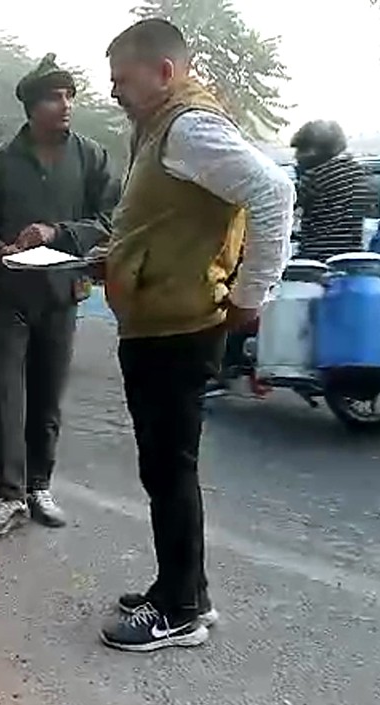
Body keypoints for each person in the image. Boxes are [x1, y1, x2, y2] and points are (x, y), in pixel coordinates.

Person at [94, 19, 292, 651]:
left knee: (169, 468)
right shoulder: (160, 131)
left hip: (178, 328)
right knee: (164, 468)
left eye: (122, 80)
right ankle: (181, 589)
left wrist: (250, 296)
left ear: (164, 74)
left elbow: (273, 192)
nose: (115, 92)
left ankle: (180, 610)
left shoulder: (187, 127)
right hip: (158, 320)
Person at [0, 54, 119, 539]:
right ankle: (7, 497)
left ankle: (39, 486)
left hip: (62, 292)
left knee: (48, 394)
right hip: (9, 292)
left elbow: (109, 223)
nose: (65, 105)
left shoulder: (92, 157)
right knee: (6, 394)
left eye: (70, 95)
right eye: (53, 97)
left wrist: (57, 232)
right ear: (31, 107)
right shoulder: (2, 163)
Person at [290, 120, 373, 262]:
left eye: (300, 150)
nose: (296, 157)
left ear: (314, 150)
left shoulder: (314, 178)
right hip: (351, 258)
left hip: (315, 259)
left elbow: (285, 211)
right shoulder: (361, 174)